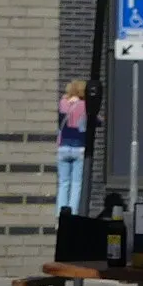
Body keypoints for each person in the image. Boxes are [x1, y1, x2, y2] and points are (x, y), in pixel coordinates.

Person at [56, 79, 88, 214]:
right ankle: (72, 214)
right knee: (76, 184)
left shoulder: (62, 103)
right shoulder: (84, 105)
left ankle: (60, 213)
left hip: (62, 146)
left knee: (63, 183)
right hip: (79, 147)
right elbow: (90, 122)